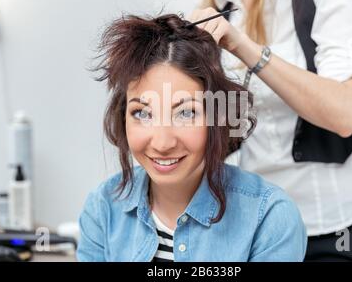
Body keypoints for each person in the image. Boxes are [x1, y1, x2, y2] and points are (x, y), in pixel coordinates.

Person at [190, 0, 352, 261]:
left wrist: (245, 48)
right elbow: (232, 126)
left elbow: (345, 113)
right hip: (267, 227)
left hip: (344, 225)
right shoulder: (222, 2)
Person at [76, 14, 307, 262]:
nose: (162, 144)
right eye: (142, 113)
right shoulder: (102, 210)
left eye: (186, 113)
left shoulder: (270, 218)